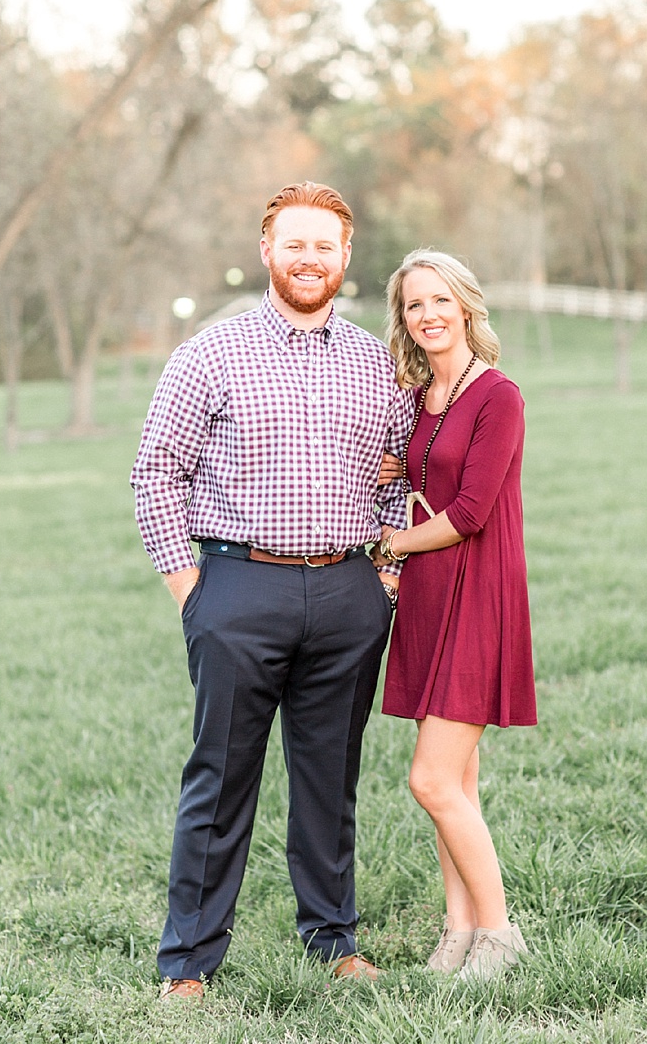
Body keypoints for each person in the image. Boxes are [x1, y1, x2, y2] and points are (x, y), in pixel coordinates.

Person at [132, 182, 412, 1001]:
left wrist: (386, 578)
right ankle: (189, 959)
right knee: (219, 777)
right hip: (235, 588)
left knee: (331, 776)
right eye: (294, 243)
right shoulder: (209, 355)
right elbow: (157, 474)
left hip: (347, 593)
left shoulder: (375, 362)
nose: (309, 258)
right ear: (267, 251)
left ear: (345, 257)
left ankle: (333, 936)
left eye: (324, 245)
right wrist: (191, 590)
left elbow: (404, 475)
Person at [374, 249, 537, 980]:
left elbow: (470, 511)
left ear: (466, 305)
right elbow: (424, 468)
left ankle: (500, 936)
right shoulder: (419, 399)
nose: (429, 315)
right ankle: (457, 932)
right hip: (428, 602)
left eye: (440, 300)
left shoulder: (499, 396)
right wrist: (395, 470)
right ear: (403, 318)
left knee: (431, 781)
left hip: (477, 597)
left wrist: (394, 544)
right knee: (457, 785)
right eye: (414, 305)